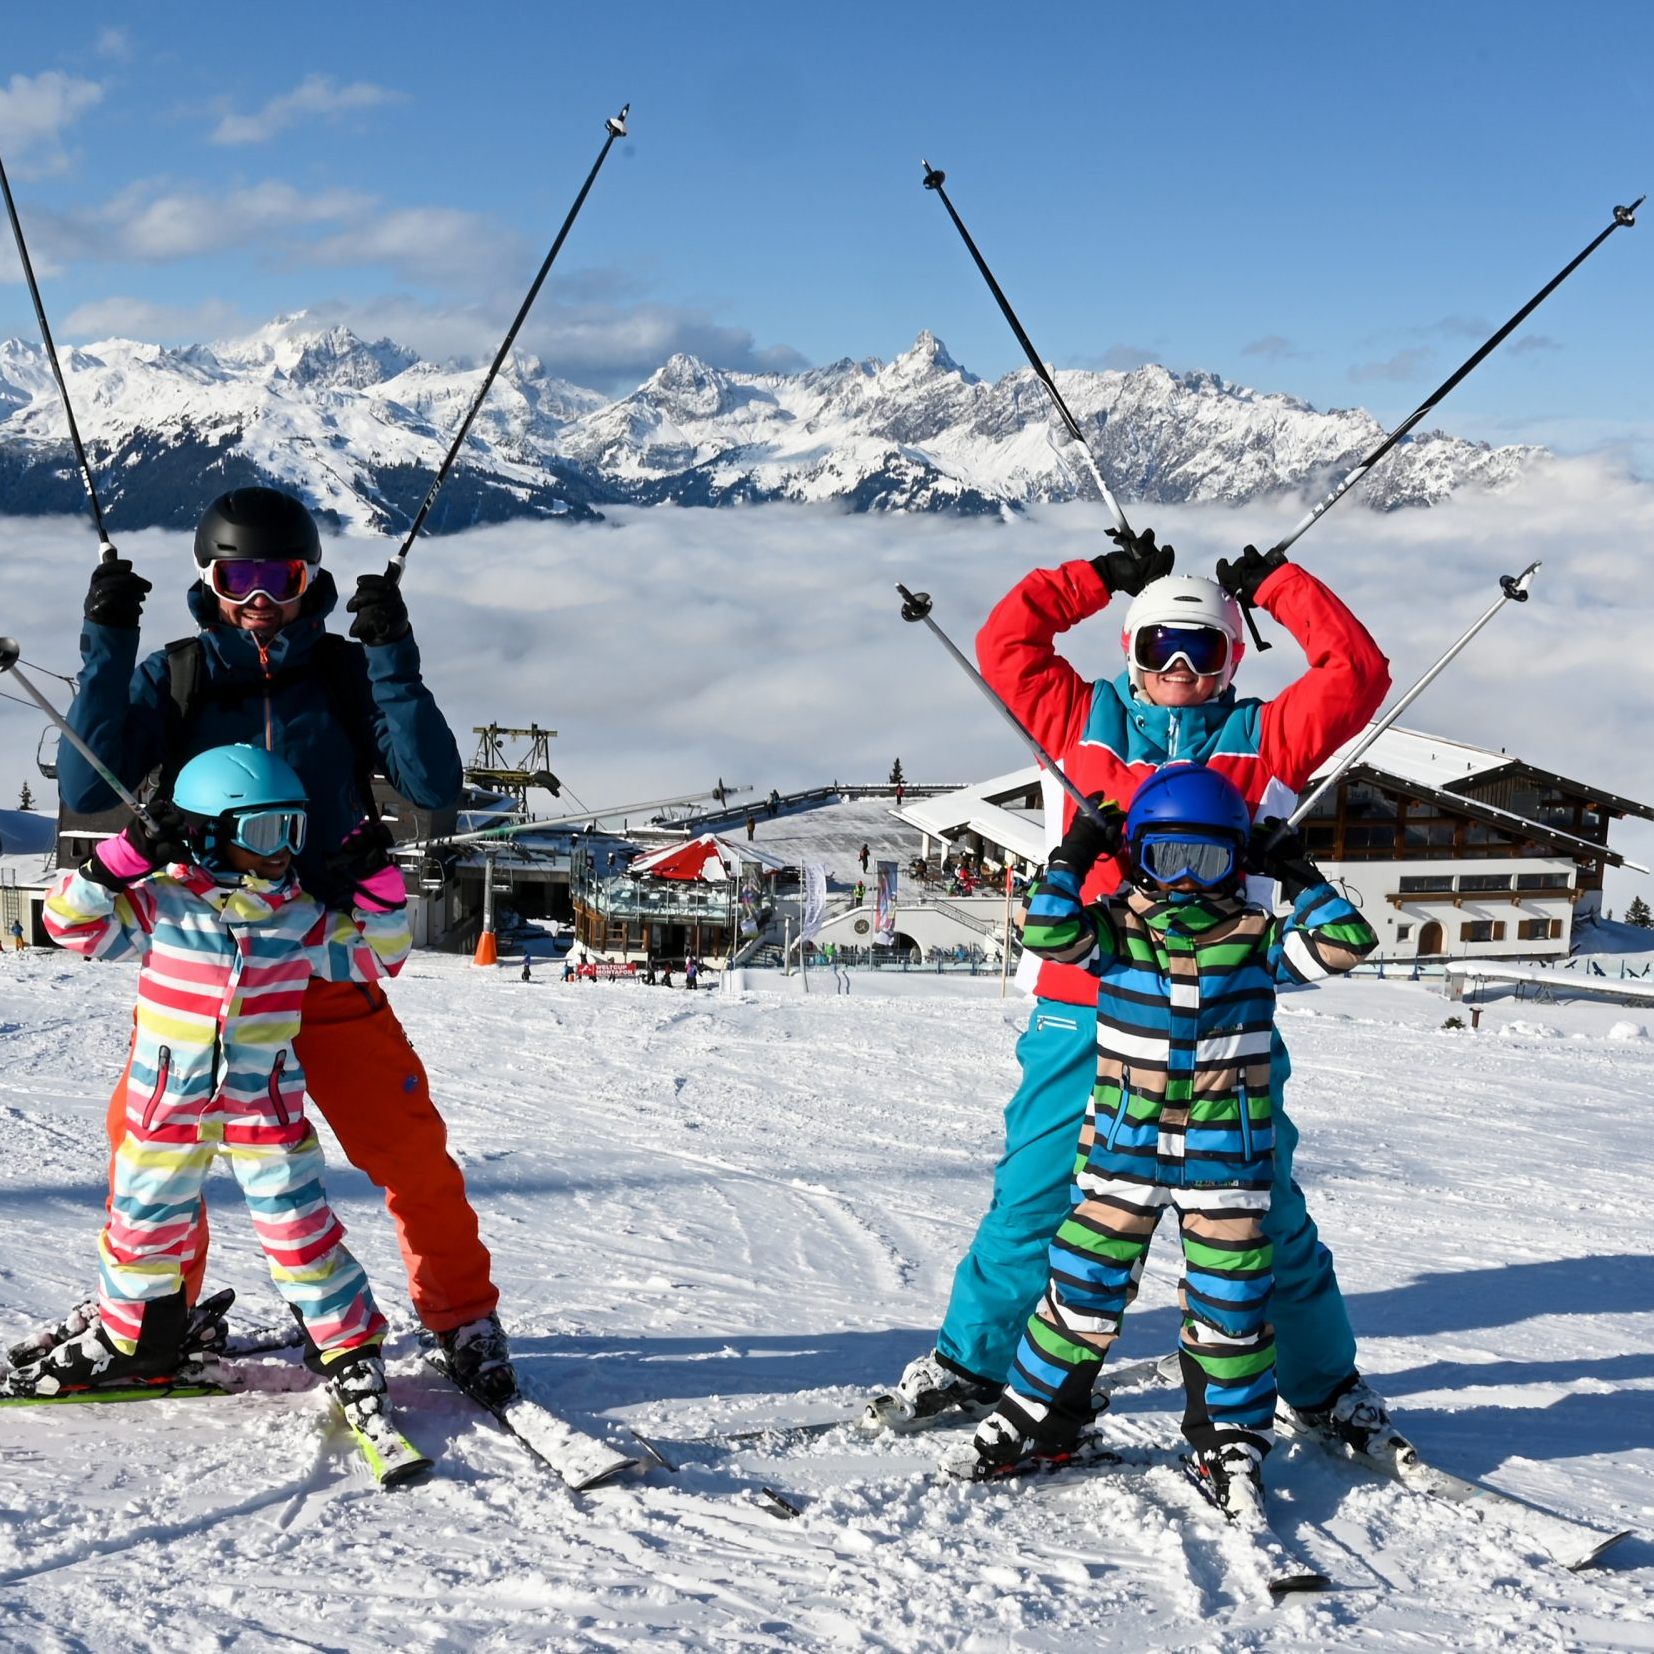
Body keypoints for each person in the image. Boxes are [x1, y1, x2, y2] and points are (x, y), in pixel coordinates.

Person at [882, 528, 1400, 1456]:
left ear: (1231, 660)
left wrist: (1279, 586)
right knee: (1038, 1193)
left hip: (1223, 1014)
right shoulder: (1080, 718)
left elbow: (1356, 671)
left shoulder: (1267, 738)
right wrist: (1092, 581)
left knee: (1263, 1210)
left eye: (1200, 651)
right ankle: (976, 1359)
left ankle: (1321, 1386)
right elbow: (1007, 645)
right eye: (1157, 647)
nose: (1177, 667)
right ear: (1129, 651)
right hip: (1087, 994)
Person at [39, 485, 516, 1405]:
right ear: (208, 580)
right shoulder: (177, 674)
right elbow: (89, 789)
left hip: (320, 946)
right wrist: (108, 645)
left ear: (312, 581)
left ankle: (462, 1314)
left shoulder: (342, 674)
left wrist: (391, 656)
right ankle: (154, 1322)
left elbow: (431, 778)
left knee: (408, 1148)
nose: (260, 596)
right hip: (206, 956)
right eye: (238, 575)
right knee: (150, 1151)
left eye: (281, 576)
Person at [960, 765, 1376, 1509]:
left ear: (1235, 865)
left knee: (1232, 1303)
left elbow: (1349, 940)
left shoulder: (1256, 943)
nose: (1184, 884)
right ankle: (1030, 1418)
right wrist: (1073, 857)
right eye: (1166, 860)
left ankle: (1229, 1443)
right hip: (1125, 1156)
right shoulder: (1116, 933)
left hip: (1226, 1165)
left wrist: (1296, 872)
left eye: (1206, 862)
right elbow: (1045, 930)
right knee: (1082, 1290)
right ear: (1139, 857)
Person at [14, 746, 405, 1420]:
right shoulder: (163, 906)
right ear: (209, 834)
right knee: (141, 1226)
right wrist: (122, 858)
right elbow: (67, 924)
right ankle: (134, 1340)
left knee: (299, 1230)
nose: (284, 849)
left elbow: (380, 955)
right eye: (264, 831)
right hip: (168, 1103)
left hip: (263, 1108)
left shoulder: (299, 916)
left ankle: (348, 1346)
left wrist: (378, 884)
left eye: (294, 829)